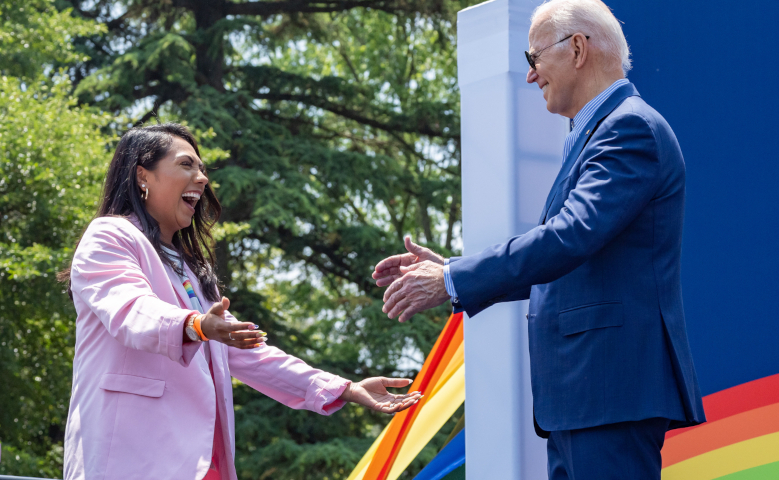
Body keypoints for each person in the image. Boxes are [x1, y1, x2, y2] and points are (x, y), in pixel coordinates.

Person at [372, 0, 705, 478]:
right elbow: (567, 254)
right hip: (584, 397)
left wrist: (450, 278)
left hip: (610, 392)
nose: (530, 76)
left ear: (576, 49)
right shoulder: (596, 133)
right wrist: (451, 269)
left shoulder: (629, 128)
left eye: (533, 58)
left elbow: (569, 237)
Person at [61, 123, 421, 480]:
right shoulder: (110, 236)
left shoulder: (190, 269)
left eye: (202, 169)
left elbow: (250, 351)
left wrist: (344, 388)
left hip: (202, 464)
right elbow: (131, 311)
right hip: (130, 459)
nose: (202, 178)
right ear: (143, 175)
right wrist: (197, 325)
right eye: (187, 165)